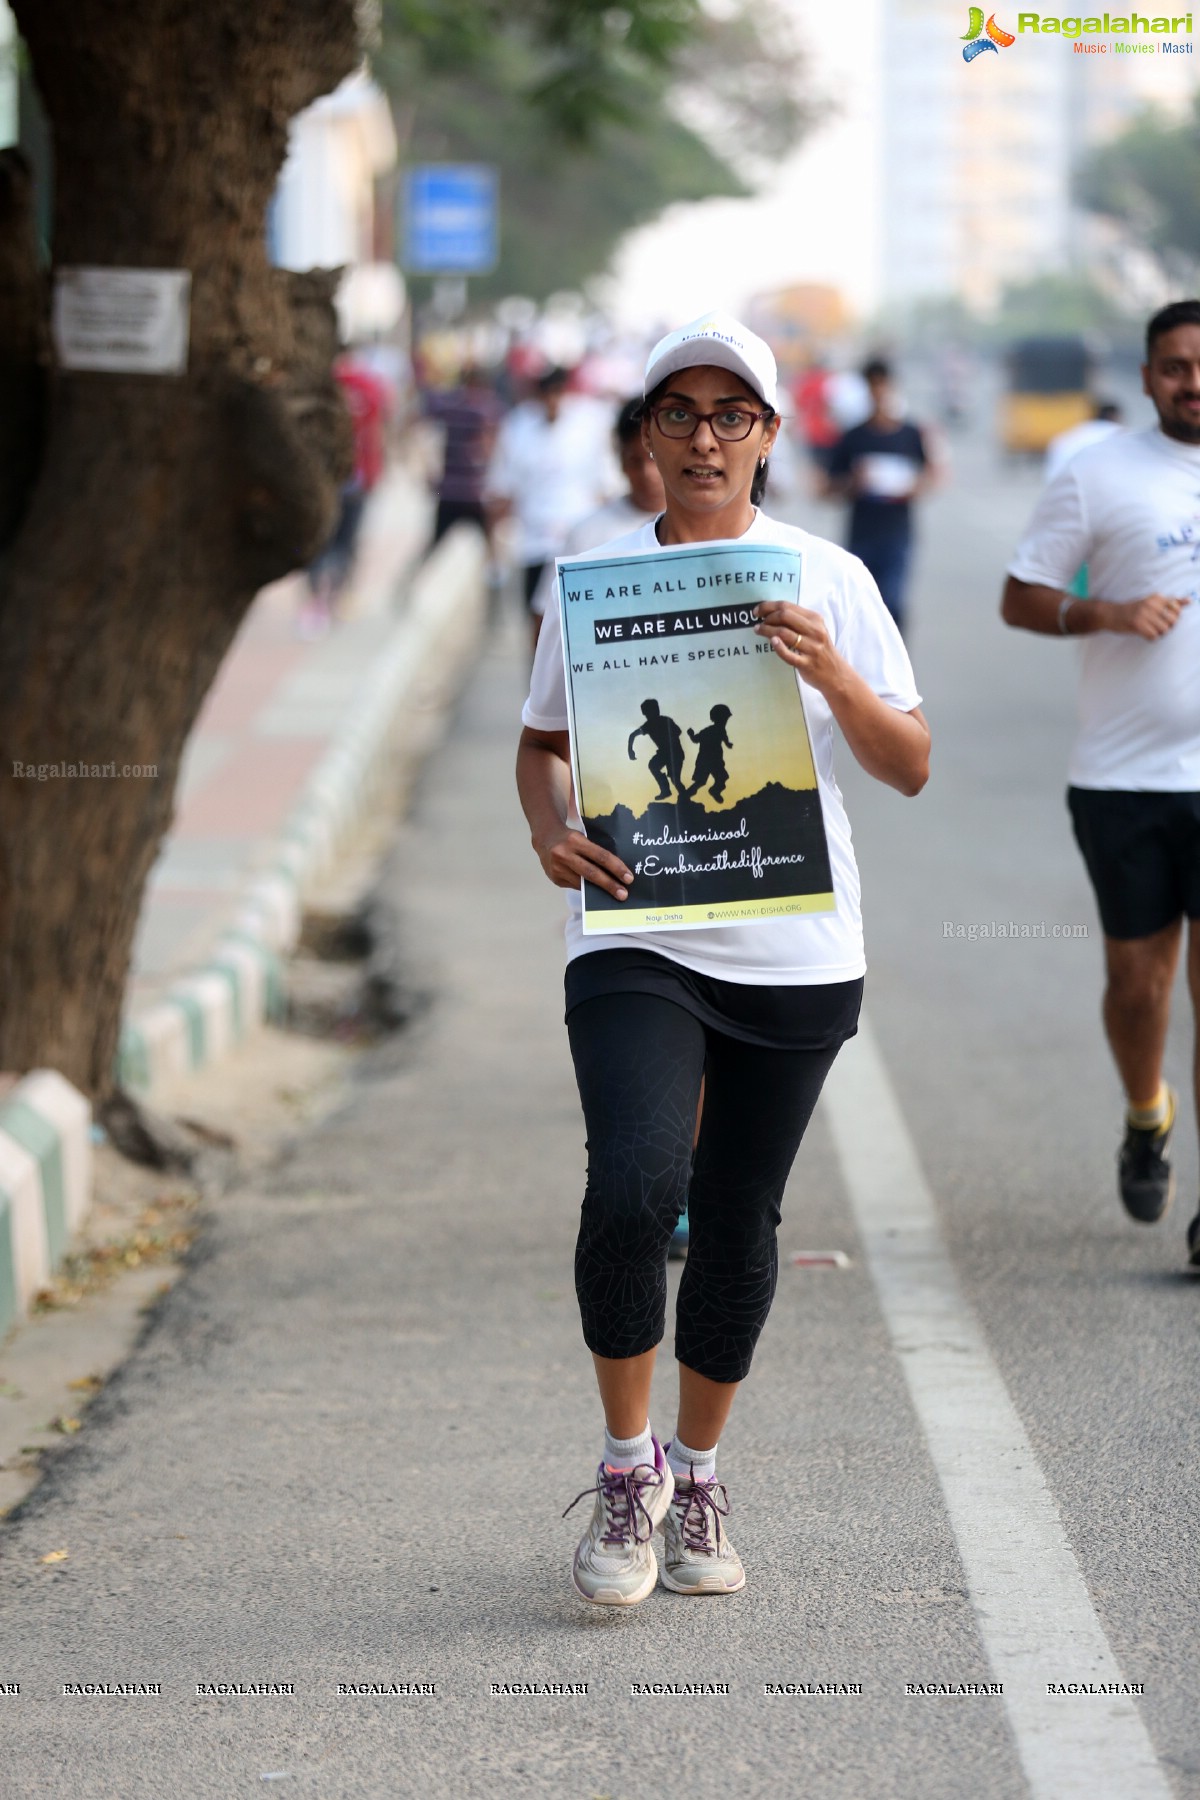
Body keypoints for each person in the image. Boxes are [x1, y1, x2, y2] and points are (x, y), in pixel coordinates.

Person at [516, 311, 930, 1606]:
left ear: (767, 437)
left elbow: (909, 763)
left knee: (741, 1215)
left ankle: (699, 1476)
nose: (705, 438)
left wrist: (835, 681)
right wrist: (548, 830)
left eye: (731, 415)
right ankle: (626, 1467)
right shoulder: (588, 579)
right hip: (639, 926)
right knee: (637, 1185)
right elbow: (541, 741)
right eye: (678, 415)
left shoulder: (830, 580)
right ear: (643, 438)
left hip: (796, 945)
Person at [1001, 300, 1200, 1267]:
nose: (1192, 381)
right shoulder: (1099, 473)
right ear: (1150, 374)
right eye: (1174, 366)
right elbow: (1022, 596)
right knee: (1137, 984)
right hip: (1123, 778)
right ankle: (1145, 1112)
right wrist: (1108, 613)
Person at [484, 365, 618, 651]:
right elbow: (503, 488)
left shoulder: (588, 424)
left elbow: (606, 488)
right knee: (539, 632)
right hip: (534, 544)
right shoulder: (519, 427)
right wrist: (494, 555)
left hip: (578, 546)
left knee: (584, 633)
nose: (553, 402)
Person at [824, 357, 938, 637]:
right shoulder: (854, 437)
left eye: (883, 386)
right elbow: (827, 487)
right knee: (860, 604)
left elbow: (930, 474)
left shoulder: (910, 434)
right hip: (862, 533)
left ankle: (895, 663)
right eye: (872, 386)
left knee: (893, 603)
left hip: (897, 533)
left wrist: (915, 487)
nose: (878, 393)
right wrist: (854, 483)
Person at [528, 397, 666, 622]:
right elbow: (545, 623)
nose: (647, 474)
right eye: (635, 461)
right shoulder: (585, 536)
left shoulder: (702, 528)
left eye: (655, 459)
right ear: (619, 458)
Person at [422, 363, 501, 543]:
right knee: (489, 549)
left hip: (451, 491)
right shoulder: (489, 409)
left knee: (435, 547)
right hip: (475, 492)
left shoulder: (451, 407)